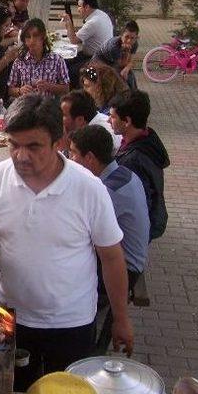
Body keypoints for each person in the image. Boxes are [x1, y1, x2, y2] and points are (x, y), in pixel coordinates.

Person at [0, 93, 133, 391]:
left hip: (71, 321)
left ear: (58, 142)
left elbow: (112, 257)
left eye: (34, 146)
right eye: (14, 144)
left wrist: (121, 318)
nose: (21, 156)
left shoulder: (89, 188)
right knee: (10, 392)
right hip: (7, 314)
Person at [68, 125, 150, 352]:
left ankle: (86, 348)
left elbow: (80, 236)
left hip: (126, 267)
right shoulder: (122, 173)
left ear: (91, 158)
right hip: (129, 255)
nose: (70, 159)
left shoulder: (107, 191)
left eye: (74, 153)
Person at [109, 91, 170, 241]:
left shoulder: (133, 161)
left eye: (113, 117)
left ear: (127, 121)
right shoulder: (148, 139)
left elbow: (140, 203)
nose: (108, 121)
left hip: (134, 231)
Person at [7, 18, 70, 99]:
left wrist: (49, 86)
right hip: (26, 105)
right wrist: (20, 90)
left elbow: (66, 89)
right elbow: (10, 89)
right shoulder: (19, 61)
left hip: (47, 106)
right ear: (24, 40)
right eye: (28, 37)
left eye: (35, 36)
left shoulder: (56, 60)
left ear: (43, 37)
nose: (32, 41)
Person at [61, 0, 114, 88]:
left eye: (79, 6)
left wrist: (68, 22)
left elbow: (73, 40)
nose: (78, 10)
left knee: (71, 70)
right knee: (64, 62)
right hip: (99, 55)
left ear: (87, 7)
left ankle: (75, 93)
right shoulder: (101, 14)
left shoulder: (93, 22)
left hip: (96, 60)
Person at [95, 20, 140, 90]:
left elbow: (131, 62)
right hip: (100, 61)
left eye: (132, 38)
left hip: (113, 62)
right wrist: (127, 51)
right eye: (126, 37)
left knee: (129, 75)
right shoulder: (114, 46)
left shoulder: (135, 44)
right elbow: (122, 64)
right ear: (121, 35)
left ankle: (134, 94)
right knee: (118, 77)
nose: (129, 41)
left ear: (136, 38)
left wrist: (127, 68)